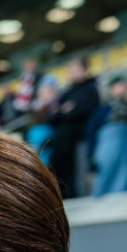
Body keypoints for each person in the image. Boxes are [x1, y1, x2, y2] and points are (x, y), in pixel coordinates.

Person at [48, 57, 100, 198]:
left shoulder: (91, 88)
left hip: (81, 133)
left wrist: (65, 111)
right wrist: (65, 110)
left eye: (74, 69)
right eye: (69, 70)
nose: (70, 73)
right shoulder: (66, 93)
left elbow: (84, 109)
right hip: (64, 137)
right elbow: (53, 116)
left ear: (84, 70)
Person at [88, 75, 127, 197]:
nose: (122, 89)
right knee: (106, 170)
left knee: (124, 171)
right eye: (118, 86)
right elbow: (92, 131)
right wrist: (90, 154)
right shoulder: (103, 110)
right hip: (108, 142)